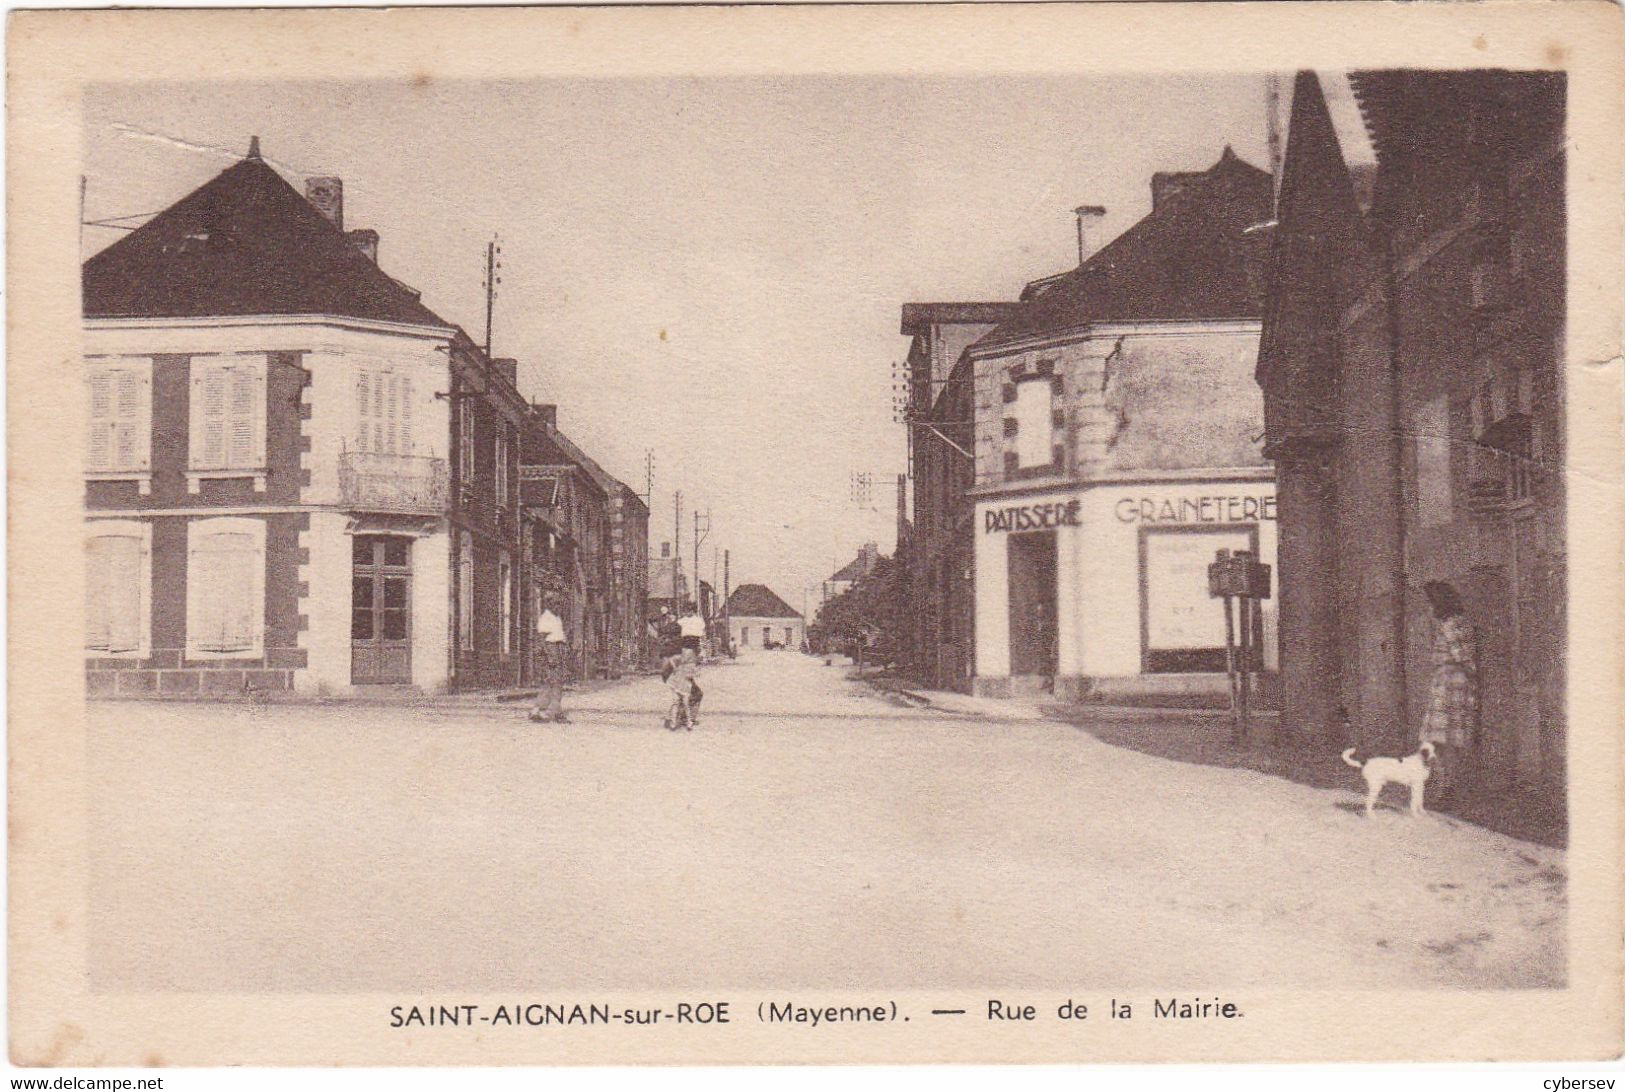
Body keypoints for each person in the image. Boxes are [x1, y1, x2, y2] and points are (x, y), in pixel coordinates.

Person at [1420, 580, 1477, 806]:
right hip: (1445, 682)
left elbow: (1464, 656)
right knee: (1438, 739)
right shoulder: (1448, 624)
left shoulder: (1453, 624)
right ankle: (1443, 786)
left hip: (1452, 684)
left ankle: (1448, 788)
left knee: (1445, 739)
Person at [530, 595, 569, 724]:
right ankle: (556, 712)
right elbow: (541, 639)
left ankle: (537, 710)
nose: (558, 606)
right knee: (556, 682)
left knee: (551, 682)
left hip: (558, 649)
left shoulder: (557, 617)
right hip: (551, 651)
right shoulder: (546, 618)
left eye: (559, 604)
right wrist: (548, 656)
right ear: (549, 604)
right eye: (555, 604)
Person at [664, 646, 700, 731]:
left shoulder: (689, 664)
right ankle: (678, 723)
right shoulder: (684, 660)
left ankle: (685, 723)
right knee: (679, 703)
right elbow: (671, 659)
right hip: (678, 684)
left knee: (681, 703)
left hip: (682, 685)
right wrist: (675, 668)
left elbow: (693, 675)